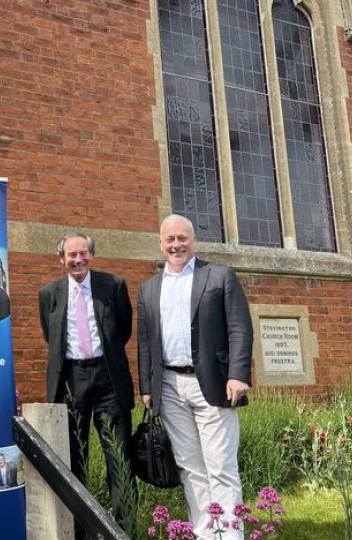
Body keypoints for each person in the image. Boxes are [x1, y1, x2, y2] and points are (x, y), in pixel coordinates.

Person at [137, 214, 253, 540]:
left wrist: (238, 374)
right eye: (170, 239)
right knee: (190, 467)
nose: (177, 245)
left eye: (182, 238)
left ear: (194, 241)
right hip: (170, 386)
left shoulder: (219, 275)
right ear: (161, 244)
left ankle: (230, 535)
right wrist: (147, 386)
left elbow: (240, 328)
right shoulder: (149, 288)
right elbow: (146, 341)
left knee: (221, 467)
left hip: (213, 384)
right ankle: (204, 534)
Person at [38, 232, 135, 532]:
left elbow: (123, 331)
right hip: (71, 379)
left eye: (83, 253)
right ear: (62, 259)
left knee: (119, 456)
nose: (77, 260)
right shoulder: (49, 294)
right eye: (71, 255)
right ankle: (80, 530)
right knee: (74, 458)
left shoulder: (114, 285)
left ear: (91, 255)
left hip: (109, 378)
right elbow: (51, 337)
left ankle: (124, 529)